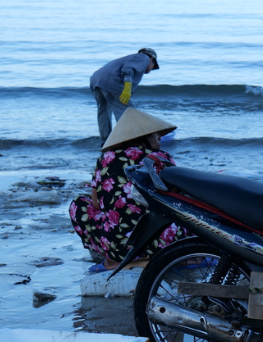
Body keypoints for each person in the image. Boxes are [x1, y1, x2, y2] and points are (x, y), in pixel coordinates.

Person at [69, 108, 186, 269]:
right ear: (143, 136)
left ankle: (116, 261)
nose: (160, 138)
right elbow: (177, 196)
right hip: (163, 242)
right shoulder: (161, 157)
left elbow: (96, 204)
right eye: (155, 134)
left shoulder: (105, 159)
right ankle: (155, 259)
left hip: (117, 246)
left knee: (78, 204)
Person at [89, 48, 159, 142]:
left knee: (104, 112)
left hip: (96, 80)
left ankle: (106, 142)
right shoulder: (144, 57)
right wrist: (128, 85)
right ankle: (128, 141)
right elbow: (128, 69)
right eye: (153, 66)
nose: (150, 70)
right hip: (112, 81)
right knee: (129, 113)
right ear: (152, 59)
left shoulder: (128, 58)